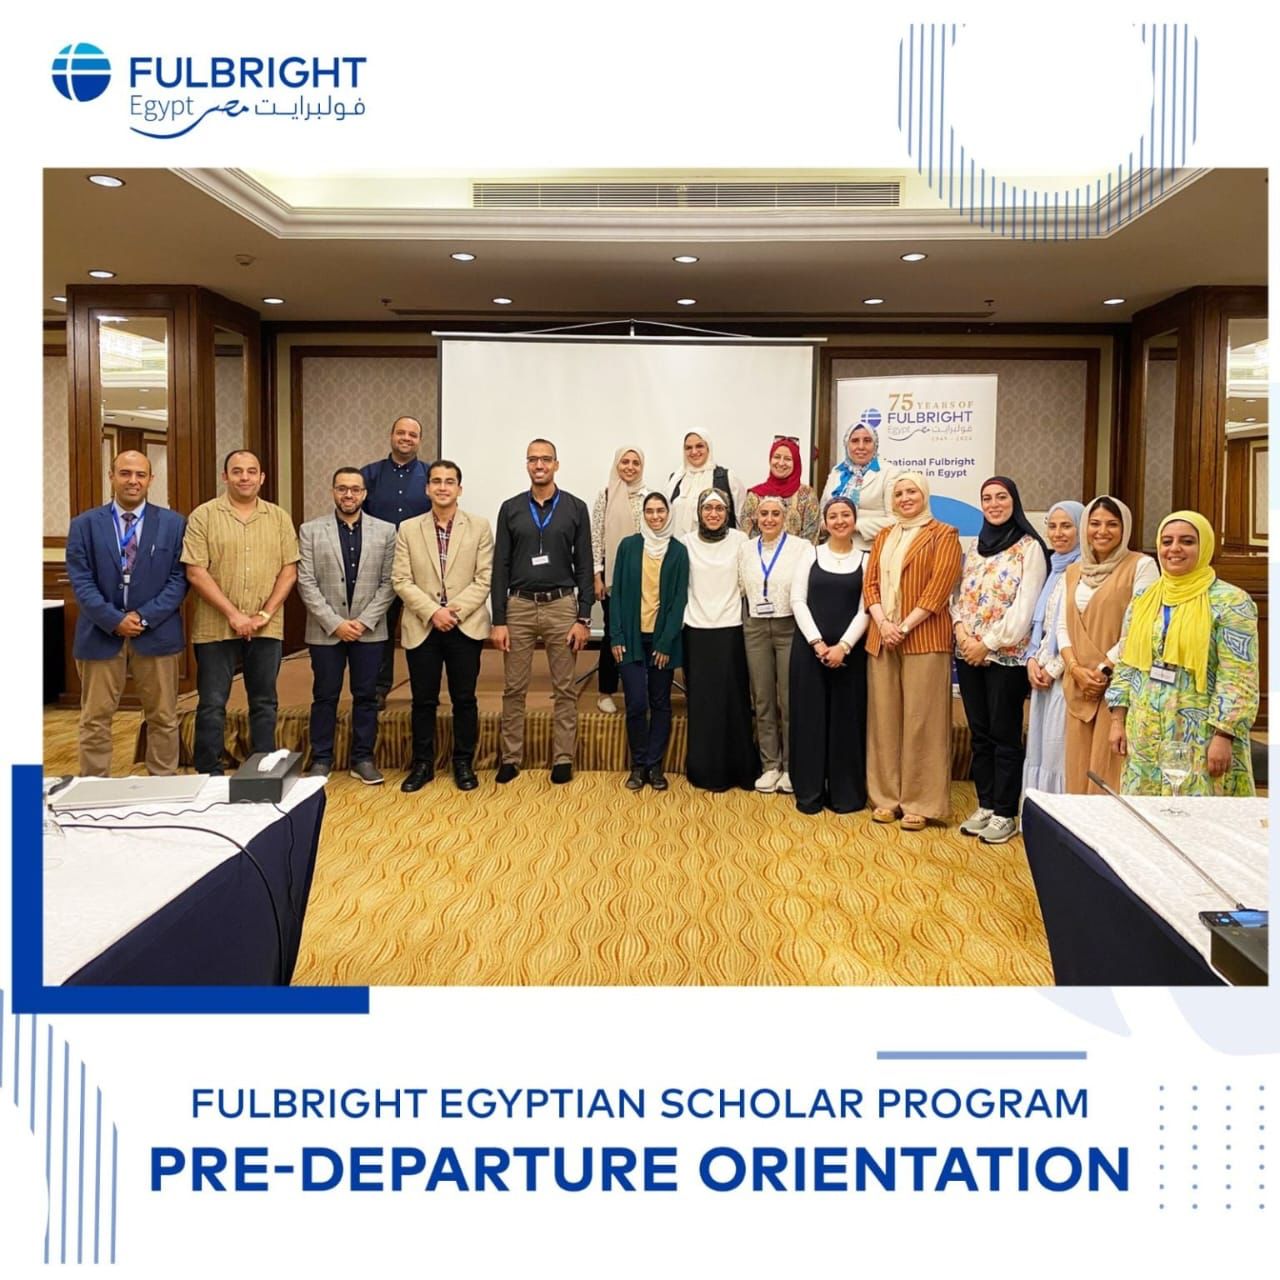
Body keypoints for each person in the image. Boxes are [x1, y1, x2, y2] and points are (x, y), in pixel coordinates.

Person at [1107, 511, 1258, 797]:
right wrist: (1117, 720)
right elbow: (1127, 663)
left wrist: (1224, 734)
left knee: (1197, 813)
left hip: (1200, 734)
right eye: (1167, 541)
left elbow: (1238, 676)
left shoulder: (1231, 602)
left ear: (1205, 547)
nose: (1174, 549)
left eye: (1187, 541)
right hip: (1144, 729)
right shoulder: (1144, 598)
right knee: (1144, 812)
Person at [65, 450, 188, 777]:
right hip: (100, 634)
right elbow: (81, 580)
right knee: (95, 718)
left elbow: (179, 579)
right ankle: (94, 785)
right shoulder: (84, 525)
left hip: (156, 634)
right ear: (111, 476)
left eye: (140, 474)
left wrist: (144, 617)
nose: (133, 481)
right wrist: (113, 619)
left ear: (150, 479)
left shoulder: (174, 524)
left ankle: (162, 784)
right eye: (125, 473)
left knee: (163, 716)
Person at [182, 450, 299, 775]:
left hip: (266, 627)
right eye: (237, 471)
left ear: (262, 477)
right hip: (215, 627)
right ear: (225, 476)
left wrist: (264, 614)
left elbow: (289, 571)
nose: (244, 477)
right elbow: (195, 572)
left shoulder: (278, 517)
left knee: (264, 702)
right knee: (212, 703)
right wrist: (233, 614)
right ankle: (209, 772)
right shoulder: (204, 516)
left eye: (251, 471)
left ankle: (262, 771)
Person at [949, 475, 1049, 843]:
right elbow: (959, 594)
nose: (994, 504)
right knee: (980, 734)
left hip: (1006, 657)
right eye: (987, 498)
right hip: (968, 653)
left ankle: (1006, 812)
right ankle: (986, 804)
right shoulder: (976, 545)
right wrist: (962, 633)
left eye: (1001, 497)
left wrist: (987, 644)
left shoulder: (1030, 548)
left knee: (1004, 734)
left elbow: (1025, 607)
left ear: (1014, 501)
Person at [490, 438, 593, 784]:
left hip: (561, 606)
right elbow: (500, 566)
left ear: (556, 465)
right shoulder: (510, 508)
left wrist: (583, 617)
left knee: (564, 688)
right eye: (533, 459)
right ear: (527, 465)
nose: (539, 465)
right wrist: (499, 619)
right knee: (514, 688)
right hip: (519, 606)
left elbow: (584, 564)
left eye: (546, 459)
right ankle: (510, 758)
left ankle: (563, 758)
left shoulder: (576, 507)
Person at [863, 473, 963, 829]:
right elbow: (870, 584)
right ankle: (886, 797)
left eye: (912, 492)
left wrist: (903, 627)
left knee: (923, 721)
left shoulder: (944, 534)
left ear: (925, 495)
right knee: (884, 720)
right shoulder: (884, 535)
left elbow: (939, 588)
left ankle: (921, 802)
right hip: (881, 637)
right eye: (899, 493)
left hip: (924, 637)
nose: (905, 498)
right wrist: (883, 624)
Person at [393, 459, 493, 792]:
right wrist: (433, 611)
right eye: (436, 481)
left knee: (464, 698)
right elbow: (401, 580)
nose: (443, 487)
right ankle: (422, 764)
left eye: (450, 481)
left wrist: (453, 612)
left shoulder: (479, 527)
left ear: (459, 489)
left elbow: (484, 578)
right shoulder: (409, 529)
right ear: (427, 488)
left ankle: (463, 762)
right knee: (423, 700)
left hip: (465, 625)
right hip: (423, 625)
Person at [295, 467, 397, 784]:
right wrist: (335, 623)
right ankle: (321, 759)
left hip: (370, 630)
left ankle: (363, 759)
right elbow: (306, 582)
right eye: (342, 488)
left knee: (366, 697)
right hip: (326, 631)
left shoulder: (386, 531)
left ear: (364, 494)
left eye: (355, 489)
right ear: (333, 492)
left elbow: (390, 583)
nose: (348, 495)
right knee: (325, 696)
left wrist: (364, 621)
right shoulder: (310, 530)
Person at [1057, 496, 1158, 794]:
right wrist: (1075, 669)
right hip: (1078, 682)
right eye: (1095, 523)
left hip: (1117, 682)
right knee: (1078, 767)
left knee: (1109, 767)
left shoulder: (1142, 566)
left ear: (1124, 529)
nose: (1102, 531)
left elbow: (1139, 626)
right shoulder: (1074, 570)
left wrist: (1104, 670)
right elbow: (1063, 625)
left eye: (1112, 524)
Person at [788, 497, 869, 814]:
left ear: (854, 520)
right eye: (833, 516)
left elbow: (866, 608)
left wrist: (843, 646)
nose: (839, 521)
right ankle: (809, 792)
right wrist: (818, 643)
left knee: (846, 722)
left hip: (850, 655)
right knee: (809, 720)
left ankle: (844, 794)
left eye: (845, 515)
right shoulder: (810, 554)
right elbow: (797, 600)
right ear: (824, 522)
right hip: (810, 652)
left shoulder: (866, 560)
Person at [608, 492, 689, 790]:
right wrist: (616, 635)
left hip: (661, 641)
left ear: (668, 513)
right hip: (630, 639)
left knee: (660, 703)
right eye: (650, 511)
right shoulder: (629, 546)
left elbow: (679, 600)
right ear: (643, 514)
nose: (655, 516)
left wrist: (666, 643)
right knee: (636, 702)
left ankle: (655, 766)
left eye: (660, 511)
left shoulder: (678, 551)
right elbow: (616, 595)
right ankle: (638, 764)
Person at [681, 489, 758, 791]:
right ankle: (705, 769)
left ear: (728, 512)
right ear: (699, 512)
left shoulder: (741, 541)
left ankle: (739, 769)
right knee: (702, 703)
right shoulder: (685, 543)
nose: (713, 514)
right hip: (696, 629)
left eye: (719, 508)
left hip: (731, 628)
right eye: (708, 508)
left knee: (733, 701)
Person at [737, 494, 812, 793]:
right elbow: (740, 587)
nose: (769, 519)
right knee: (763, 698)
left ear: (785, 518)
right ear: (756, 518)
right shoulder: (745, 549)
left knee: (789, 699)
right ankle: (770, 765)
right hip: (755, 626)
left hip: (788, 626)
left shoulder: (801, 547)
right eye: (764, 514)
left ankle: (792, 767)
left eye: (775, 514)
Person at [360, 415, 432, 707]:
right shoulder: (369, 475)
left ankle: (425, 691)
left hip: (421, 568)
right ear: (391, 436)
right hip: (380, 566)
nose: (406, 438)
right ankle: (379, 688)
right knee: (381, 629)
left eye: (412, 435)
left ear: (420, 441)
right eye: (401, 433)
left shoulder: (431, 475)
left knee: (423, 630)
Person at [1021, 500, 1085, 797]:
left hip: (1066, 674)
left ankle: (1057, 812)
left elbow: (1079, 631)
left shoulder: (1085, 571)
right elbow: (1043, 624)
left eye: (1067, 526)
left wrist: (1054, 667)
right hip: (1042, 671)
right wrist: (1032, 660)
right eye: (1053, 526)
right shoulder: (1054, 567)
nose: (1058, 533)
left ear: (1081, 529)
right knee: (1040, 748)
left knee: (1058, 752)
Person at [590, 446, 647, 714]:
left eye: (636, 462)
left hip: (642, 575)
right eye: (625, 461)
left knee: (641, 630)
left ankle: (638, 686)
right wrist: (597, 576)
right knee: (614, 631)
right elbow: (596, 538)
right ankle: (606, 691)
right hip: (611, 576)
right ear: (616, 464)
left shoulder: (648, 496)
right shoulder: (605, 495)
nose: (630, 467)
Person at [820, 422, 895, 553]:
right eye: (855, 441)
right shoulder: (837, 472)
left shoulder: (889, 473)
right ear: (847, 444)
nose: (861, 446)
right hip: (833, 548)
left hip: (871, 550)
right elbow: (823, 512)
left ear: (875, 444)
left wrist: (853, 525)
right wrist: (825, 524)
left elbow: (896, 521)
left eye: (867, 441)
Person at [738, 437, 821, 542]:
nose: (781, 463)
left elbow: (811, 538)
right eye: (777, 457)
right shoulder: (754, 496)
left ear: (796, 463)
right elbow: (746, 536)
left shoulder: (807, 495)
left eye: (787, 459)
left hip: (798, 552)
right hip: (760, 552)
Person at [666, 432, 747, 537]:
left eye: (699, 446)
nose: (694, 451)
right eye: (688, 448)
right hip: (680, 544)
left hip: (719, 545)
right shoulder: (675, 479)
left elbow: (741, 519)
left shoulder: (727, 477)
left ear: (708, 448)